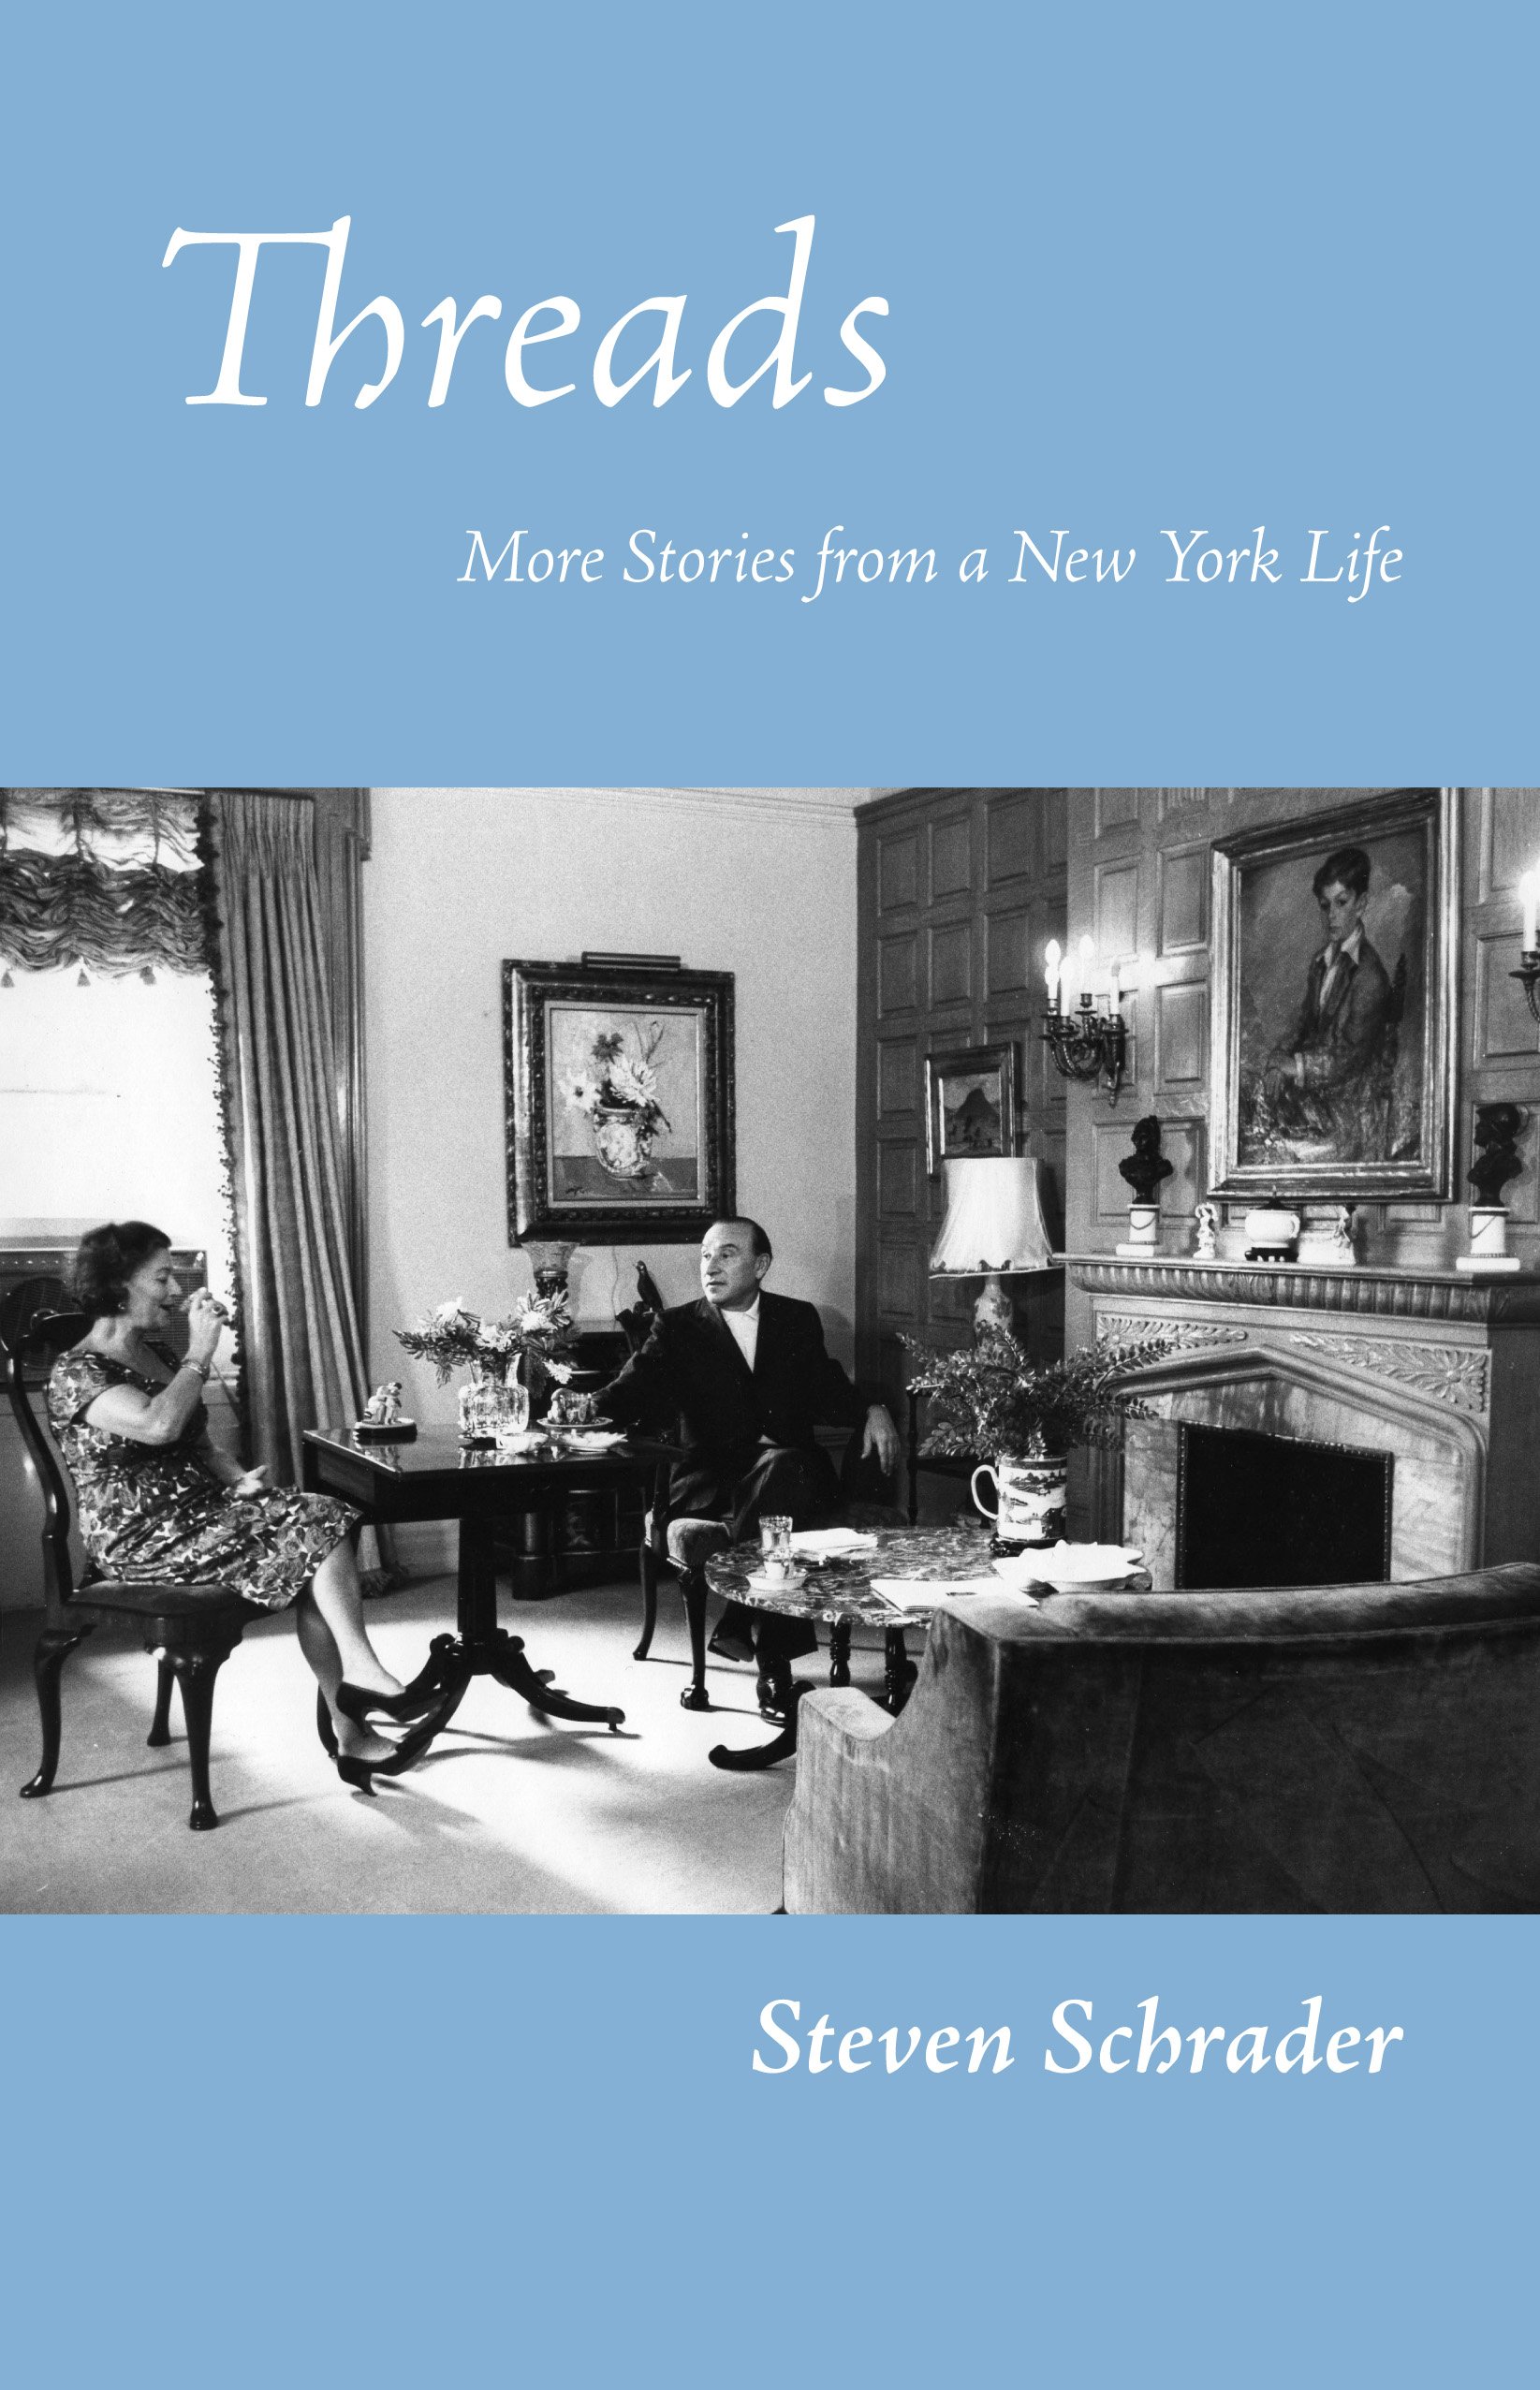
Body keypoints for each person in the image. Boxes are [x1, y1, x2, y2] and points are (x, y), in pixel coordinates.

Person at [46, 1220, 408, 1788]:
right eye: (162, 1278)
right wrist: (199, 1351)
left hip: (199, 1514)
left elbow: (198, 1443)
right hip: (139, 1537)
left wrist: (235, 1477)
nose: (175, 1290)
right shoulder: (77, 1371)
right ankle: (356, 1701)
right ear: (118, 1283)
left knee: (323, 1521)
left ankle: (352, 1719)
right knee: (320, 1525)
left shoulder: (153, 1354)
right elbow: (158, 1425)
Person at [591, 1218, 901, 1713]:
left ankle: (743, 1623)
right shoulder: (677, 1326)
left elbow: (828, 1389)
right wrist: (579, 1409)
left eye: (726, 1254)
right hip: (711, 1482)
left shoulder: (796, 1318)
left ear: (760, 1265)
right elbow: (628, 1392)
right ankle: (772, 1666)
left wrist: (873, 1409)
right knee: (785, 1476)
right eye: (705, 1255)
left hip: (793, 1477)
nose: (710, 1266)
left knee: (785, 1468)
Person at [1261, 844, 1396, 1161]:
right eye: (1325, 905)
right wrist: (1277, 1059)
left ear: (1361, 903)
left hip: (1350, 1115)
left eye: (1341, 902)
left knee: (1277, 1151)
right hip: (1317, 1103)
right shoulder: (1320, 962)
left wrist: (1294, 1066)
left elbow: (1350, 1058)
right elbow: (1304, 1023)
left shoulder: (1370, 976)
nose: (1331, 915)